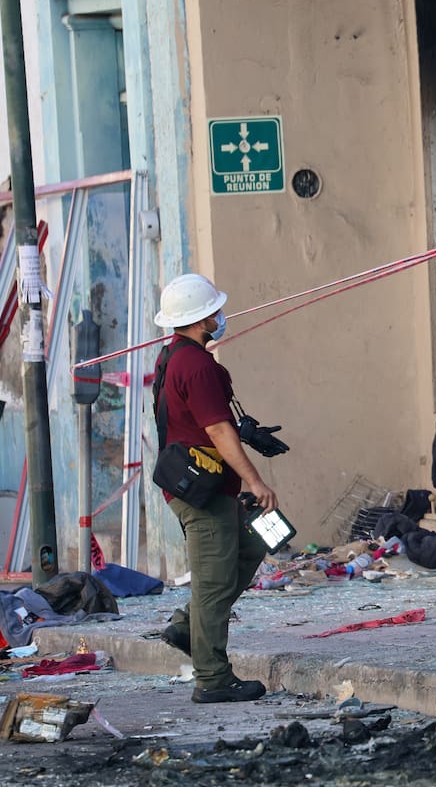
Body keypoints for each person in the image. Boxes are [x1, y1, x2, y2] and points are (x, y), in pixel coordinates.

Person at [152, 273, 277, 703]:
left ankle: (188, 628)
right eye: (215, 311)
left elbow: (201, 421)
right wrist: (256, 481)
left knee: (251, 546)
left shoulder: (172, 357)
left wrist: (247, 432)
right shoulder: (198, 365)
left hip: (199, 483)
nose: (221, 317)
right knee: (212, 582)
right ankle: (212, 678)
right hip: (201, 490)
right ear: (204, 318)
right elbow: (218, 432)